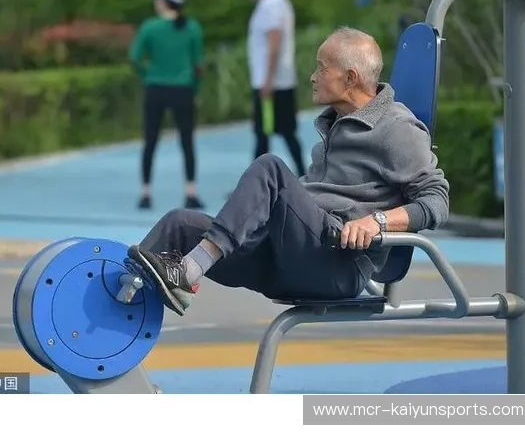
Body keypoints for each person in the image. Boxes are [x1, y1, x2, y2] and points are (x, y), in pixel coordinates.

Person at [124, 26, 450, 317]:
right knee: (180, 223)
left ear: (350, 78)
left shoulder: (397, 128)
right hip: (287, 256)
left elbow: (436, 201)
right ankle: (116, 299)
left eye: (322, 68)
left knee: (271, 168)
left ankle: (190, 270)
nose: (312, 76)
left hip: (336, 265)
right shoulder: (335, 123)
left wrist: (377, 221)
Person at [129, 0, 205, 210]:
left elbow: (134, 57)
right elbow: (198, 65)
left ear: (163, 2)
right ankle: (190, 192)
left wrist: (147, 76)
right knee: (187, 141)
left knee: (150, 141)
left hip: (155, 88)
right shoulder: (192, 27)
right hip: (183, 88)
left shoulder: (149, 27)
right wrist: (195, 88)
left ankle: (146, 193)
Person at [246, 0, 306, 177]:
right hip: (276, 82)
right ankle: (302, 175)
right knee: (277, 133)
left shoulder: (271, 5)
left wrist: (268, 80)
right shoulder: (275, 3)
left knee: (266, 133)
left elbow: (274, 41)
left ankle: (255, 182)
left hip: (272, 84)